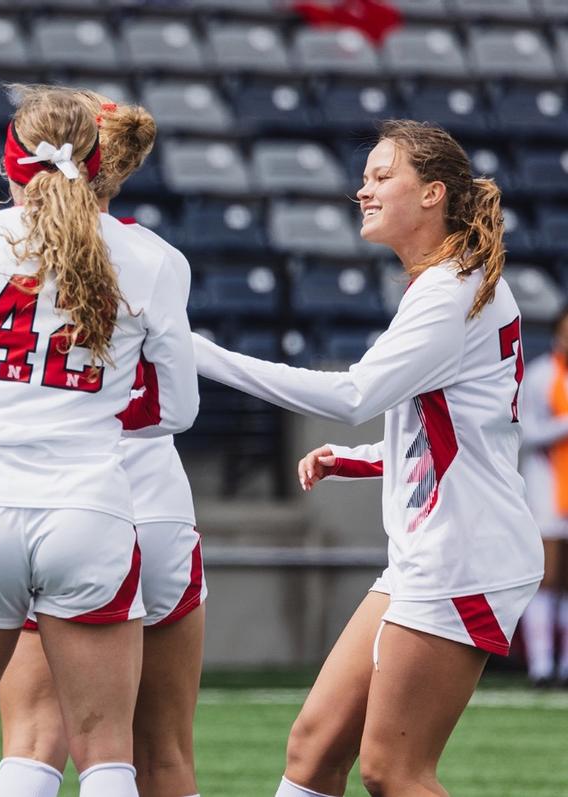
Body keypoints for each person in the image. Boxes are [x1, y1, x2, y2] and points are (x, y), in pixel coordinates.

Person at [193, 120, 544, 797]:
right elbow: (458, 431)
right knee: (314, 749)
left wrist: (202, 353)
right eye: (365, 177)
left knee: (394, 771)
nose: (363, 190)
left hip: (462, 556)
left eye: (383, 176)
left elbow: (354, 393)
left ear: (434, 193)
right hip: (438, 550)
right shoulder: (452, 281)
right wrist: (360, 458)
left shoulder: (448, 291)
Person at [0, 85, 198, 797]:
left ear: (10, 159)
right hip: (90, 506)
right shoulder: (153, 258)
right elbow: (178, 408)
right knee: (106, 750)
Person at [0, 91, 207, 797]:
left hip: (61, 498)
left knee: (35, 740)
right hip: (159, 499)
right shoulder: (159, 257)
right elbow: (178, 405)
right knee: (163, 751)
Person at [519, 308, 568, 687]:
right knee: (547, 576)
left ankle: (564, 666)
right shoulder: (539, 376)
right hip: (548, 487)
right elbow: (526, 432)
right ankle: (540, 666)